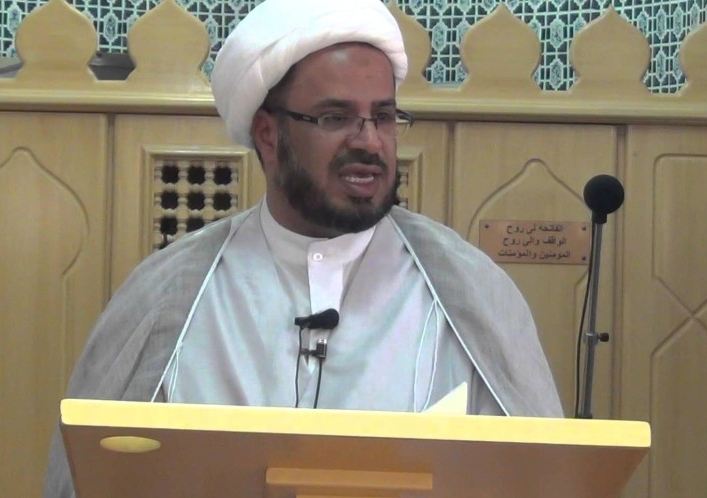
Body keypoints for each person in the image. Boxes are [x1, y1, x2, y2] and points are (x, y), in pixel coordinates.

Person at [44, 0, 561, 495]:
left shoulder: (470, 290)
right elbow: (94, 478)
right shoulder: (168, 296)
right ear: (268, 135)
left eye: (383, 117)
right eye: (335, 118)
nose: (370, 141)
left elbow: (541, 478)